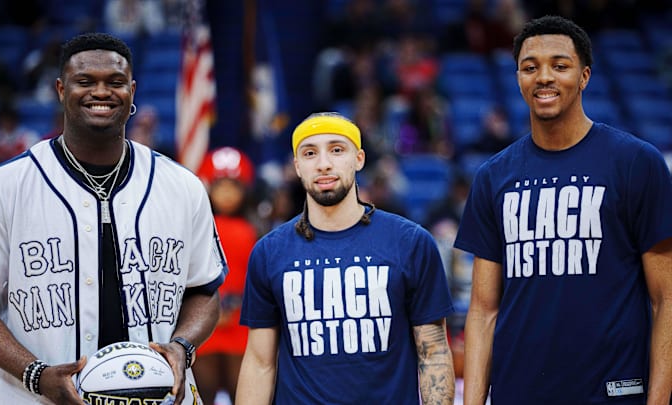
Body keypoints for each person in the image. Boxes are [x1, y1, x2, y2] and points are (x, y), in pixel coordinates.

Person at [0, 32, 226, 405]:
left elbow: (205, 291)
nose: (101, 92)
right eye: (85, 81)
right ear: (61, 89)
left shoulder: (182, 186)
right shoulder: (2, 187)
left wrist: (181, 347)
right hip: (36, 399)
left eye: (115, 82)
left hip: (161, 395)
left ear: (132, 91)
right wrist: (36, 375)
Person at [454, 15, 672, 404]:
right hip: (519, 393)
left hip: (612, 393)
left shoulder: (637, 163)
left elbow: (666, 298)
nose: (543, 77)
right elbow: (484, 310)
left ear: (584, 76)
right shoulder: (493, 177)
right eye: (529, 67)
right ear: (518, 78)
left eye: (560, 65)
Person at [236, 112, 456, 404]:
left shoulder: (410, 243)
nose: (324, 163)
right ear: (297, 166)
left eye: (337, 150)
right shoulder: (269, 253)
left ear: (359, 159)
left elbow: (434, 350)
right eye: (310, 153)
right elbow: (260, 362)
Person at [192, 146, 259, 404]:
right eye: (221, 187)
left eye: (235, 187)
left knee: (242, 390)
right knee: (203, 391)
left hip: (241, 324)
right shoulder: (196, 226)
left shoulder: (256, 227)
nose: (228, 194)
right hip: (205, 323)